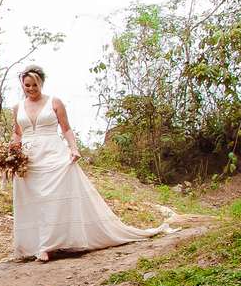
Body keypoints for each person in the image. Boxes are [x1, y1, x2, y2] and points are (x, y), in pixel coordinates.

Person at [10, 66, 168, 262]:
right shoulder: (18, 107)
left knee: (53, 199)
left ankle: (48, 245)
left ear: (41, 83)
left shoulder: (55, 102)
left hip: (52, 153)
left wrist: (74, 149)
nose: (31, 89)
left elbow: (66, 129)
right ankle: (34, 244)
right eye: (27, 85)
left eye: (35, 85)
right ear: (22, 85)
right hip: (29, 158)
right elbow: (18, 133)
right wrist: (12, 156)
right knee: (34, 200)